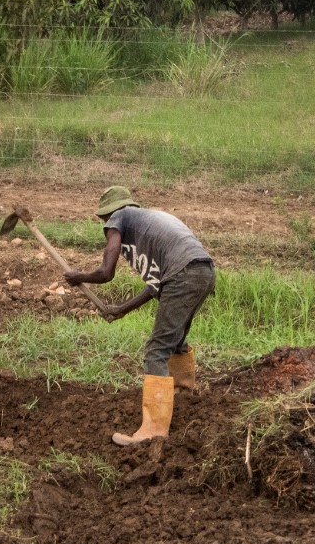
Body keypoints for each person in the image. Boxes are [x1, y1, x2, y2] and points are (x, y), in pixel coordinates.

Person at [61, 186, 215, 447]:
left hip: (183, 275)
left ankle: (153, 432)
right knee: (174, 341)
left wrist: (80, 277)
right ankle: (182, 396)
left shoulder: (119, 218)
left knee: (156, 350)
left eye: (104, 222)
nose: (107, 228)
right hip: (203, 272)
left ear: (109, 214)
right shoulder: (148, 225)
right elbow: (156, 285)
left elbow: (106, 272)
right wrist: (121, 309)